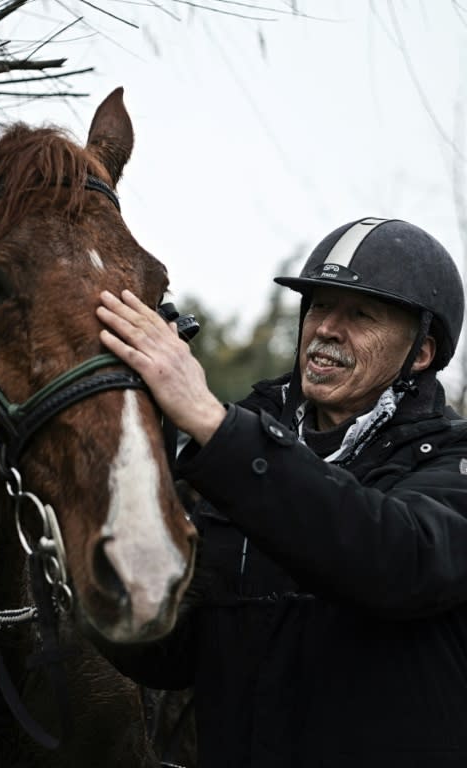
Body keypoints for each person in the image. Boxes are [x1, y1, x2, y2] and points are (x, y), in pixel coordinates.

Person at [95, 216, 467, 768]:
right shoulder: (235, 458)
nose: (326, 329)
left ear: (421, 352)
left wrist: (212, 424)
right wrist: (93, 551)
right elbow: (175, 658)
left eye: (360, 314)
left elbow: (392, 559)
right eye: (318, 306)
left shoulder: (451, 461)